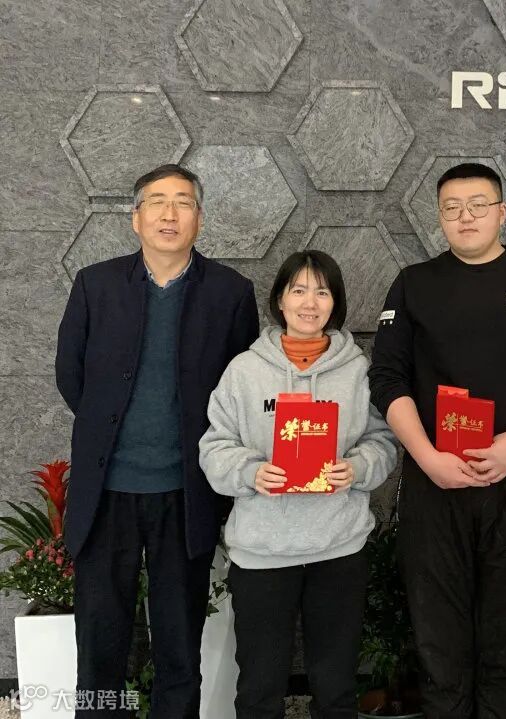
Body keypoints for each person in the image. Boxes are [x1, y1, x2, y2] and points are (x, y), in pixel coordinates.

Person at [368, 162, 506, 718]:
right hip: (434, 483)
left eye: (478, 205)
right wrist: (427, 457)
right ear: (439, 217)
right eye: (452, 208)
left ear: (501, 212)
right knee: (439, 643)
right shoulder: (414, 283)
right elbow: (387, 378)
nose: (465, 217)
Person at [55, 164, 259, 718]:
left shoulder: (230, 292)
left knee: (179, 646)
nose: (170, 214)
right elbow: (71, 376)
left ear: (199, 218)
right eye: (157, 202)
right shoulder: (95, 284)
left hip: (185, 492)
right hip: (107, 493)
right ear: (136, 217)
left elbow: (240, 389)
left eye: (183, 202)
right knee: (100, 646)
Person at [199, 250, 397, 719]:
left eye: (322, 292)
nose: (311, 303)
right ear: (280, 300)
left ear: (336, 303)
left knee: (336, 687)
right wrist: (250, 472)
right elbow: (213, 447)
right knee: (259, 689)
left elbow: (384, 440)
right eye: (299, 290)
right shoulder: (244, 371)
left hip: (338, 549)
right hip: (263, 552)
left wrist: (358, 468)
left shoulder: (359, 371)